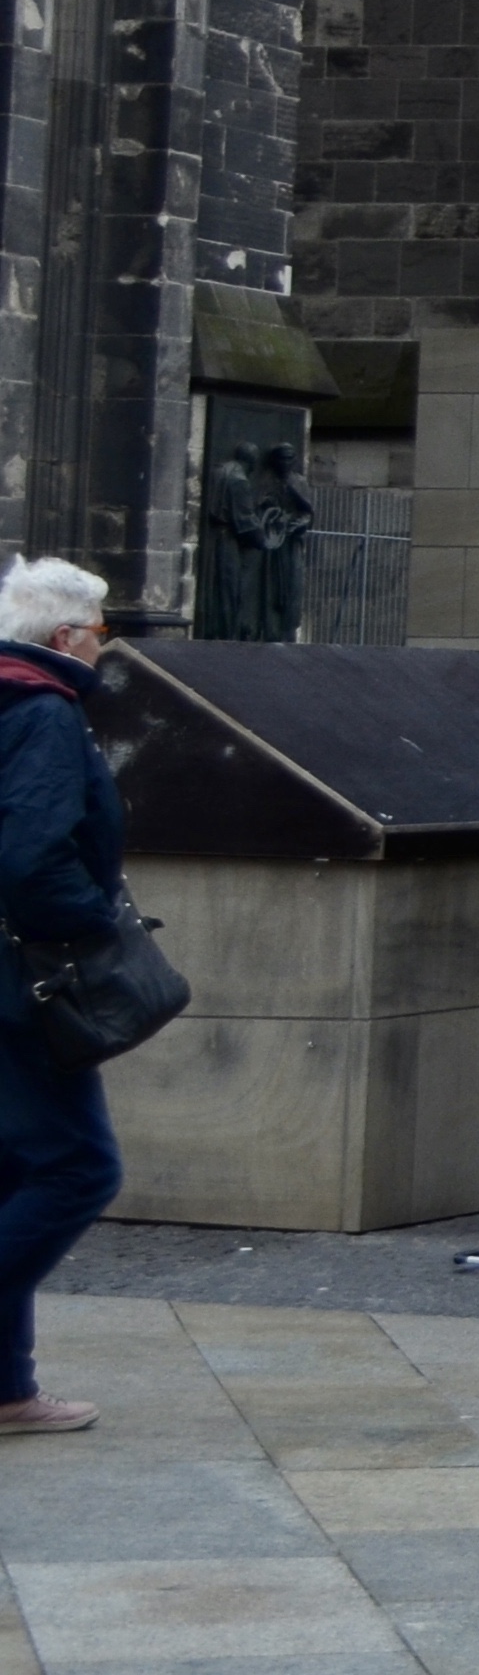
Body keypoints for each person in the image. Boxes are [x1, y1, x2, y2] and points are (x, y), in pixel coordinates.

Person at [0, 558, 125, 1435]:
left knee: (14, 1168)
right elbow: (32, 858)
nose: (105, 647)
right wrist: (95, 924)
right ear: (65, 637)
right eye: (102, 631)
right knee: (80, 1167)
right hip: (21, 981)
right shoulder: (43, 710)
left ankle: (7, 1389)